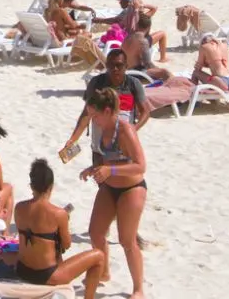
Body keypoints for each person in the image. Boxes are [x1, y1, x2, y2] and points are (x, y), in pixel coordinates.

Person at [81, 88, 147, 299]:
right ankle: (105, 271)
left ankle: (138, 289)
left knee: (127, 241)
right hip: (110, 186)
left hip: (132, 188)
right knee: (96, 232)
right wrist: (94, 169)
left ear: (108, 111)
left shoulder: (125, 129)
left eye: (95, 115)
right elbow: (109, 159)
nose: (94, 120)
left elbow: (140, 165)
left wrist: (112, 170)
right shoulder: (103, 127)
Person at [14, 159, 104, 298]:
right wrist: (63, 223)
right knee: (99, 256)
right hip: (45, 276)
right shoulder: (58, 214)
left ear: (31, 186)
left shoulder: (19, 208)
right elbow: (66, 245)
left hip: (22, 270)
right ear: (51, 187)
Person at [62, 48, 150, 165]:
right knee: (101, 178)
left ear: (126, 66)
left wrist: (132, 130)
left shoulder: (133, 84)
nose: (115, 69)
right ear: (106, 65)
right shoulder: (96, 83)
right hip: (99, 145)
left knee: (123, 178)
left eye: (119, 65)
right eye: (111, 65)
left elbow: (146, 112)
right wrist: (73, 139)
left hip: (124, 145)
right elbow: (86, 113)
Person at [121, 15, 172, 81]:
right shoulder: (143, 41)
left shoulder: (129, 36)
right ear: (149, 28)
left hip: (125, 69)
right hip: (135, 73)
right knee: (165, 72)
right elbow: (148, 64)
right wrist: (158, 69)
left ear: (137, 25)